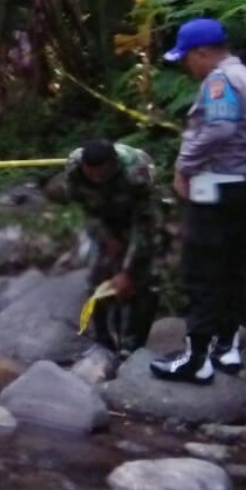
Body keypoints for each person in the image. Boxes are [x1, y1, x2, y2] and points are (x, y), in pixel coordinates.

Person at [152, 18, 246, 384]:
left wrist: (183, 166)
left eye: (187, 58)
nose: (187, 67)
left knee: (201, 272)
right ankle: (227, 347)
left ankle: (196, 360)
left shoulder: (220, 80)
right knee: (232, 269)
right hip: (244, 184)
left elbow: (220, 127)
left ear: (202, 53)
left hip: (213, 186)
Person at [63, 140, 158, 355]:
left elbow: (146, 224)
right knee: (98, 276)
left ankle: (133, 344)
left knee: (144, 280)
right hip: (103, 216)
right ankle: (103, 341)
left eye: (102, 175)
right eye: (92, 175)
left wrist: (128, 271)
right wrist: (106, 238)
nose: (96, 179)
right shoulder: (74, 170)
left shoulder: (137, 173)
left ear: (114, 166)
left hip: (136, 215)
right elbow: (86, 209)